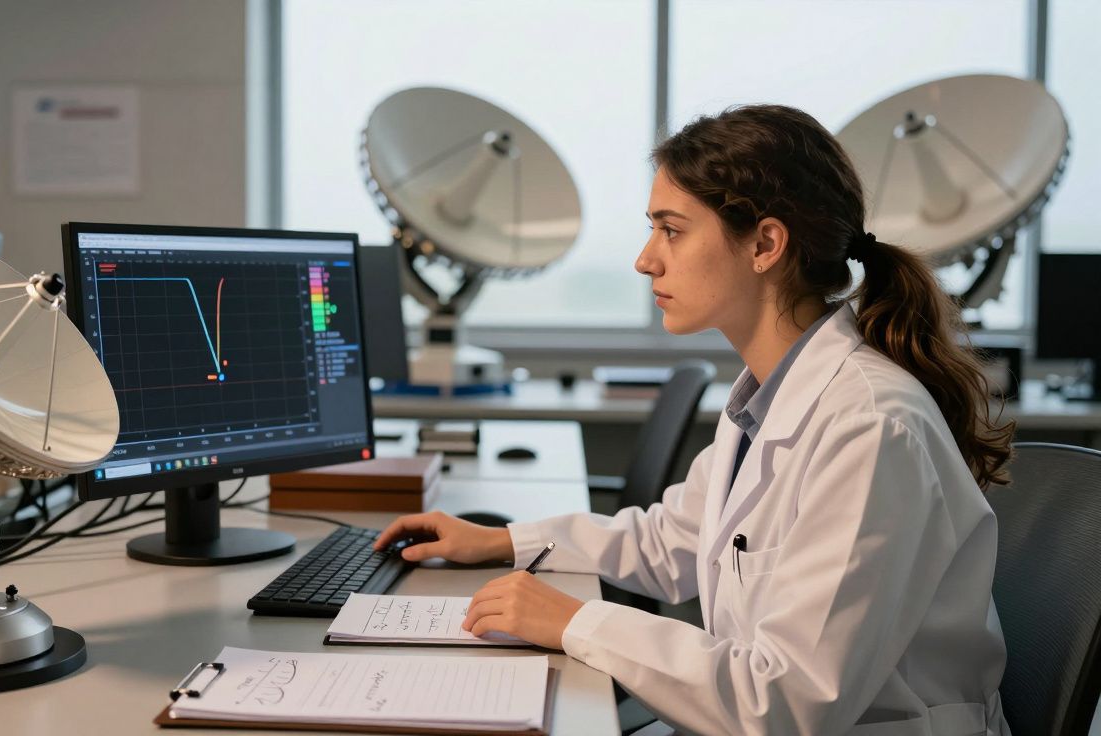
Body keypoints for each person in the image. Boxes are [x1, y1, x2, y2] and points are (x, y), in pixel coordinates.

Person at [374, 105, 1015, 735]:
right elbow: (667, 543)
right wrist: (500, 541)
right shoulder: (764, 400)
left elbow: (787, 703)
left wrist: (574, 622)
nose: (646, 260)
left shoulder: (871, 427)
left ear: (765, 244)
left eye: (671, 230)